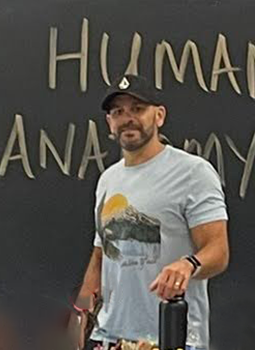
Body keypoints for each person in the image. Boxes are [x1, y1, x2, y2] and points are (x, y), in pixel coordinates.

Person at [73, 74, 230, 350]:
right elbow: (101, 257)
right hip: (110, 338)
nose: (128, 118)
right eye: (118, 112)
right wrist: (77, 326)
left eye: (137, 109)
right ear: (109, 123)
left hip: (171, 338)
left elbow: (218, 250)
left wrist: (188, 264)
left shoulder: (192, 172)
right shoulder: (108, 180)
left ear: (159, 116)